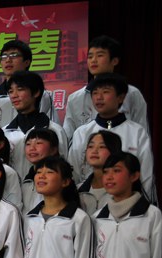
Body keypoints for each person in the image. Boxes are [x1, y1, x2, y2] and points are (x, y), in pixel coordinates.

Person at [67, 74, 156, 203]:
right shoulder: (82, 132)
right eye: (95, 93)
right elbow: (73, 171)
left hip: (127, 200)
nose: (99, 97)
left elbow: (145, 174)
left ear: (120, 97)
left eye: (105, 92)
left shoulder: (136, 132)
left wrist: (140, 204)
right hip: (88, 200)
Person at [63, 36, 149, 140]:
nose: (93, 60)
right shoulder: (75, 98)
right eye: (90, 56)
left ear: (114, 61)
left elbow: (142, 131)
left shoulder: (131, 93)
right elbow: (68, 136)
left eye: (99, 55)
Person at [2, 71, 67, 180]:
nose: (14, 95)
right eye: (10, 91)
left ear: (36, 92)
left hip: (43, 188)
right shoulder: (4, 132)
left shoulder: (54, 130)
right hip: (12, 189)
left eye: (20, 89)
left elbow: (64, 166)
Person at [0, 40, 57, 126]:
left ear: (27, 62)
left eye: (14, 55)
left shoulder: (42, 95)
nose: (8, 60)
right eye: (4, 56)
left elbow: (51, 127)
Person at [77, 130, 122, 215]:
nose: (94, 151)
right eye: (90, 146)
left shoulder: (122, 190)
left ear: (114, 151)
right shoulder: (78, 191)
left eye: (102, 147)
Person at [19, 128, 61, 211]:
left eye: (38, 143)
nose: (32, 148)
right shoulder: (26, 180)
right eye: (28, 144)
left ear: (53, 149)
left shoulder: (59, 177)